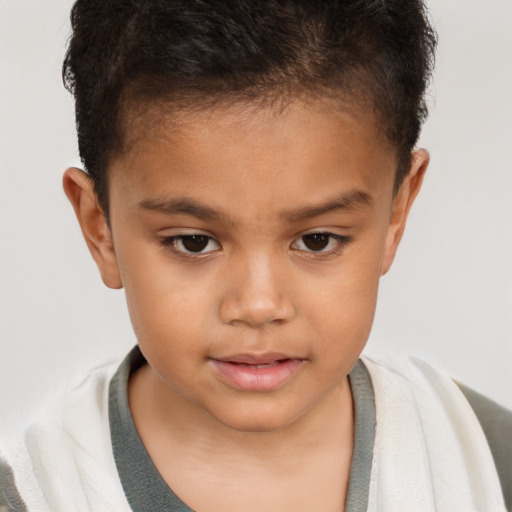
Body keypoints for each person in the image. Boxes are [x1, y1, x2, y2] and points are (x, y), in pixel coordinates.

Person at [1, 0, 510, 510]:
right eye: (194, 242)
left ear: (395, 213)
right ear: (101, 228)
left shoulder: (483, 461)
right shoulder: (37, 492)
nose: (259, 304)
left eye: (317, 240)